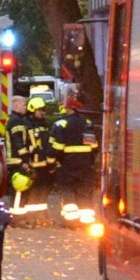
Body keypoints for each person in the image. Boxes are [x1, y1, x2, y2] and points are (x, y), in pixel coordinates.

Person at [46, 95, 98, 226]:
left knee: (67, 189)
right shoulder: (87, 123)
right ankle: (86, 221)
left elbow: (56, 147)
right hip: (85, 164)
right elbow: (93, 146)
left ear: (68, 109)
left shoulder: (61, 124)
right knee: (84, 191)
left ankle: (71, 222)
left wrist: (51, 163)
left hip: (67, 164)